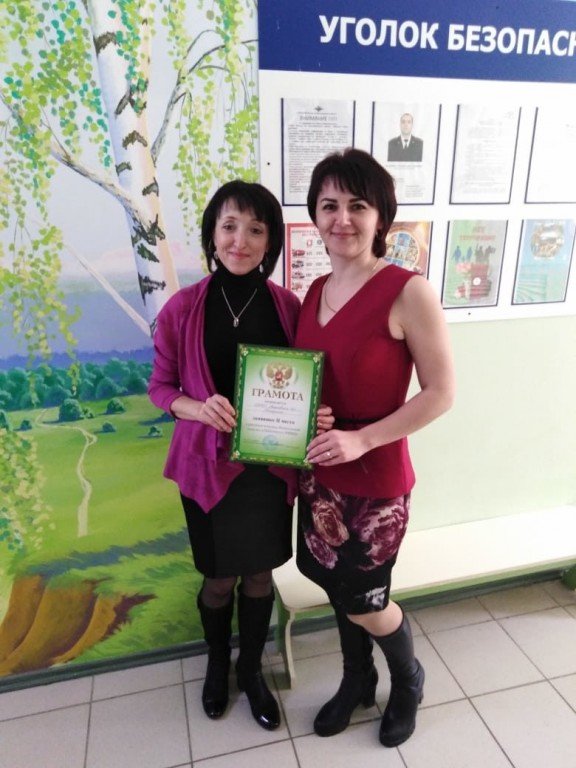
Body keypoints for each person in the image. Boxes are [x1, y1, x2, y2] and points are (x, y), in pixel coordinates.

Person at [295, 149, 455, 747]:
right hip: (319, 474)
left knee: (367, 598)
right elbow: (314, 380)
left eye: (357, 205)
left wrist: (361, 438)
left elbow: (440, 393)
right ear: (315, 215)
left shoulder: (408, 291)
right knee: (334, 585)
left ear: (381, 216)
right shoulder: (314, 291)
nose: (342, 218)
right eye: (329, 205)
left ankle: (408, 679)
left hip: (376, 480)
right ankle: (356, 680)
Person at [148, 180, 304, 731]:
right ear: (212, 234)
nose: (241, 240)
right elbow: (160, 388)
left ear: (270, 241)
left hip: (269, 468)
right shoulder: (183, 308)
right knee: (218, 580)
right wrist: (196, 407)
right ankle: (218, 662)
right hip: (206, 470)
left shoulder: (289, 307)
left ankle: (252, 670)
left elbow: (307, 383)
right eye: (230, 226)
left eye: (255, 229)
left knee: (260, 575)